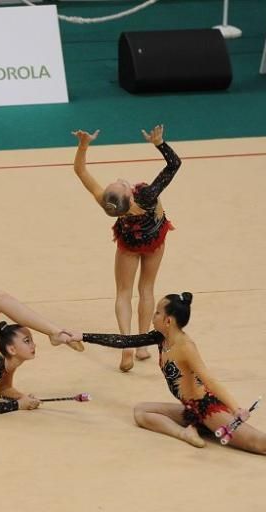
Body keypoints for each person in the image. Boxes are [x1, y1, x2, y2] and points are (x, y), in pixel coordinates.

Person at [82, 292, 266, 473]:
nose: (152, 317)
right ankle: (185, 433)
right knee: (141, 411)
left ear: (168, 319)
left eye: (155, 313)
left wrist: (235, 409)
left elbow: (209, 379)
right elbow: (125, 341)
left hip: (208, 410)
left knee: (258, 442)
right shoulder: (161, 337)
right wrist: (81, 335)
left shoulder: (186, 346)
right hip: (191, 412)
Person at [72, 124, 181, 372]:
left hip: (128, 244)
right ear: (130, 197)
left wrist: (83, 146)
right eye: (121, 184)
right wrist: (159, 144)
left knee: (123, 293)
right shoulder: (147, 196)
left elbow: (80, 171)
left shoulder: (106, 202)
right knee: (146, 289)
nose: (120, 180)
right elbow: (174, 164)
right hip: (154, 241)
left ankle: (126, 347)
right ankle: (141, 346)